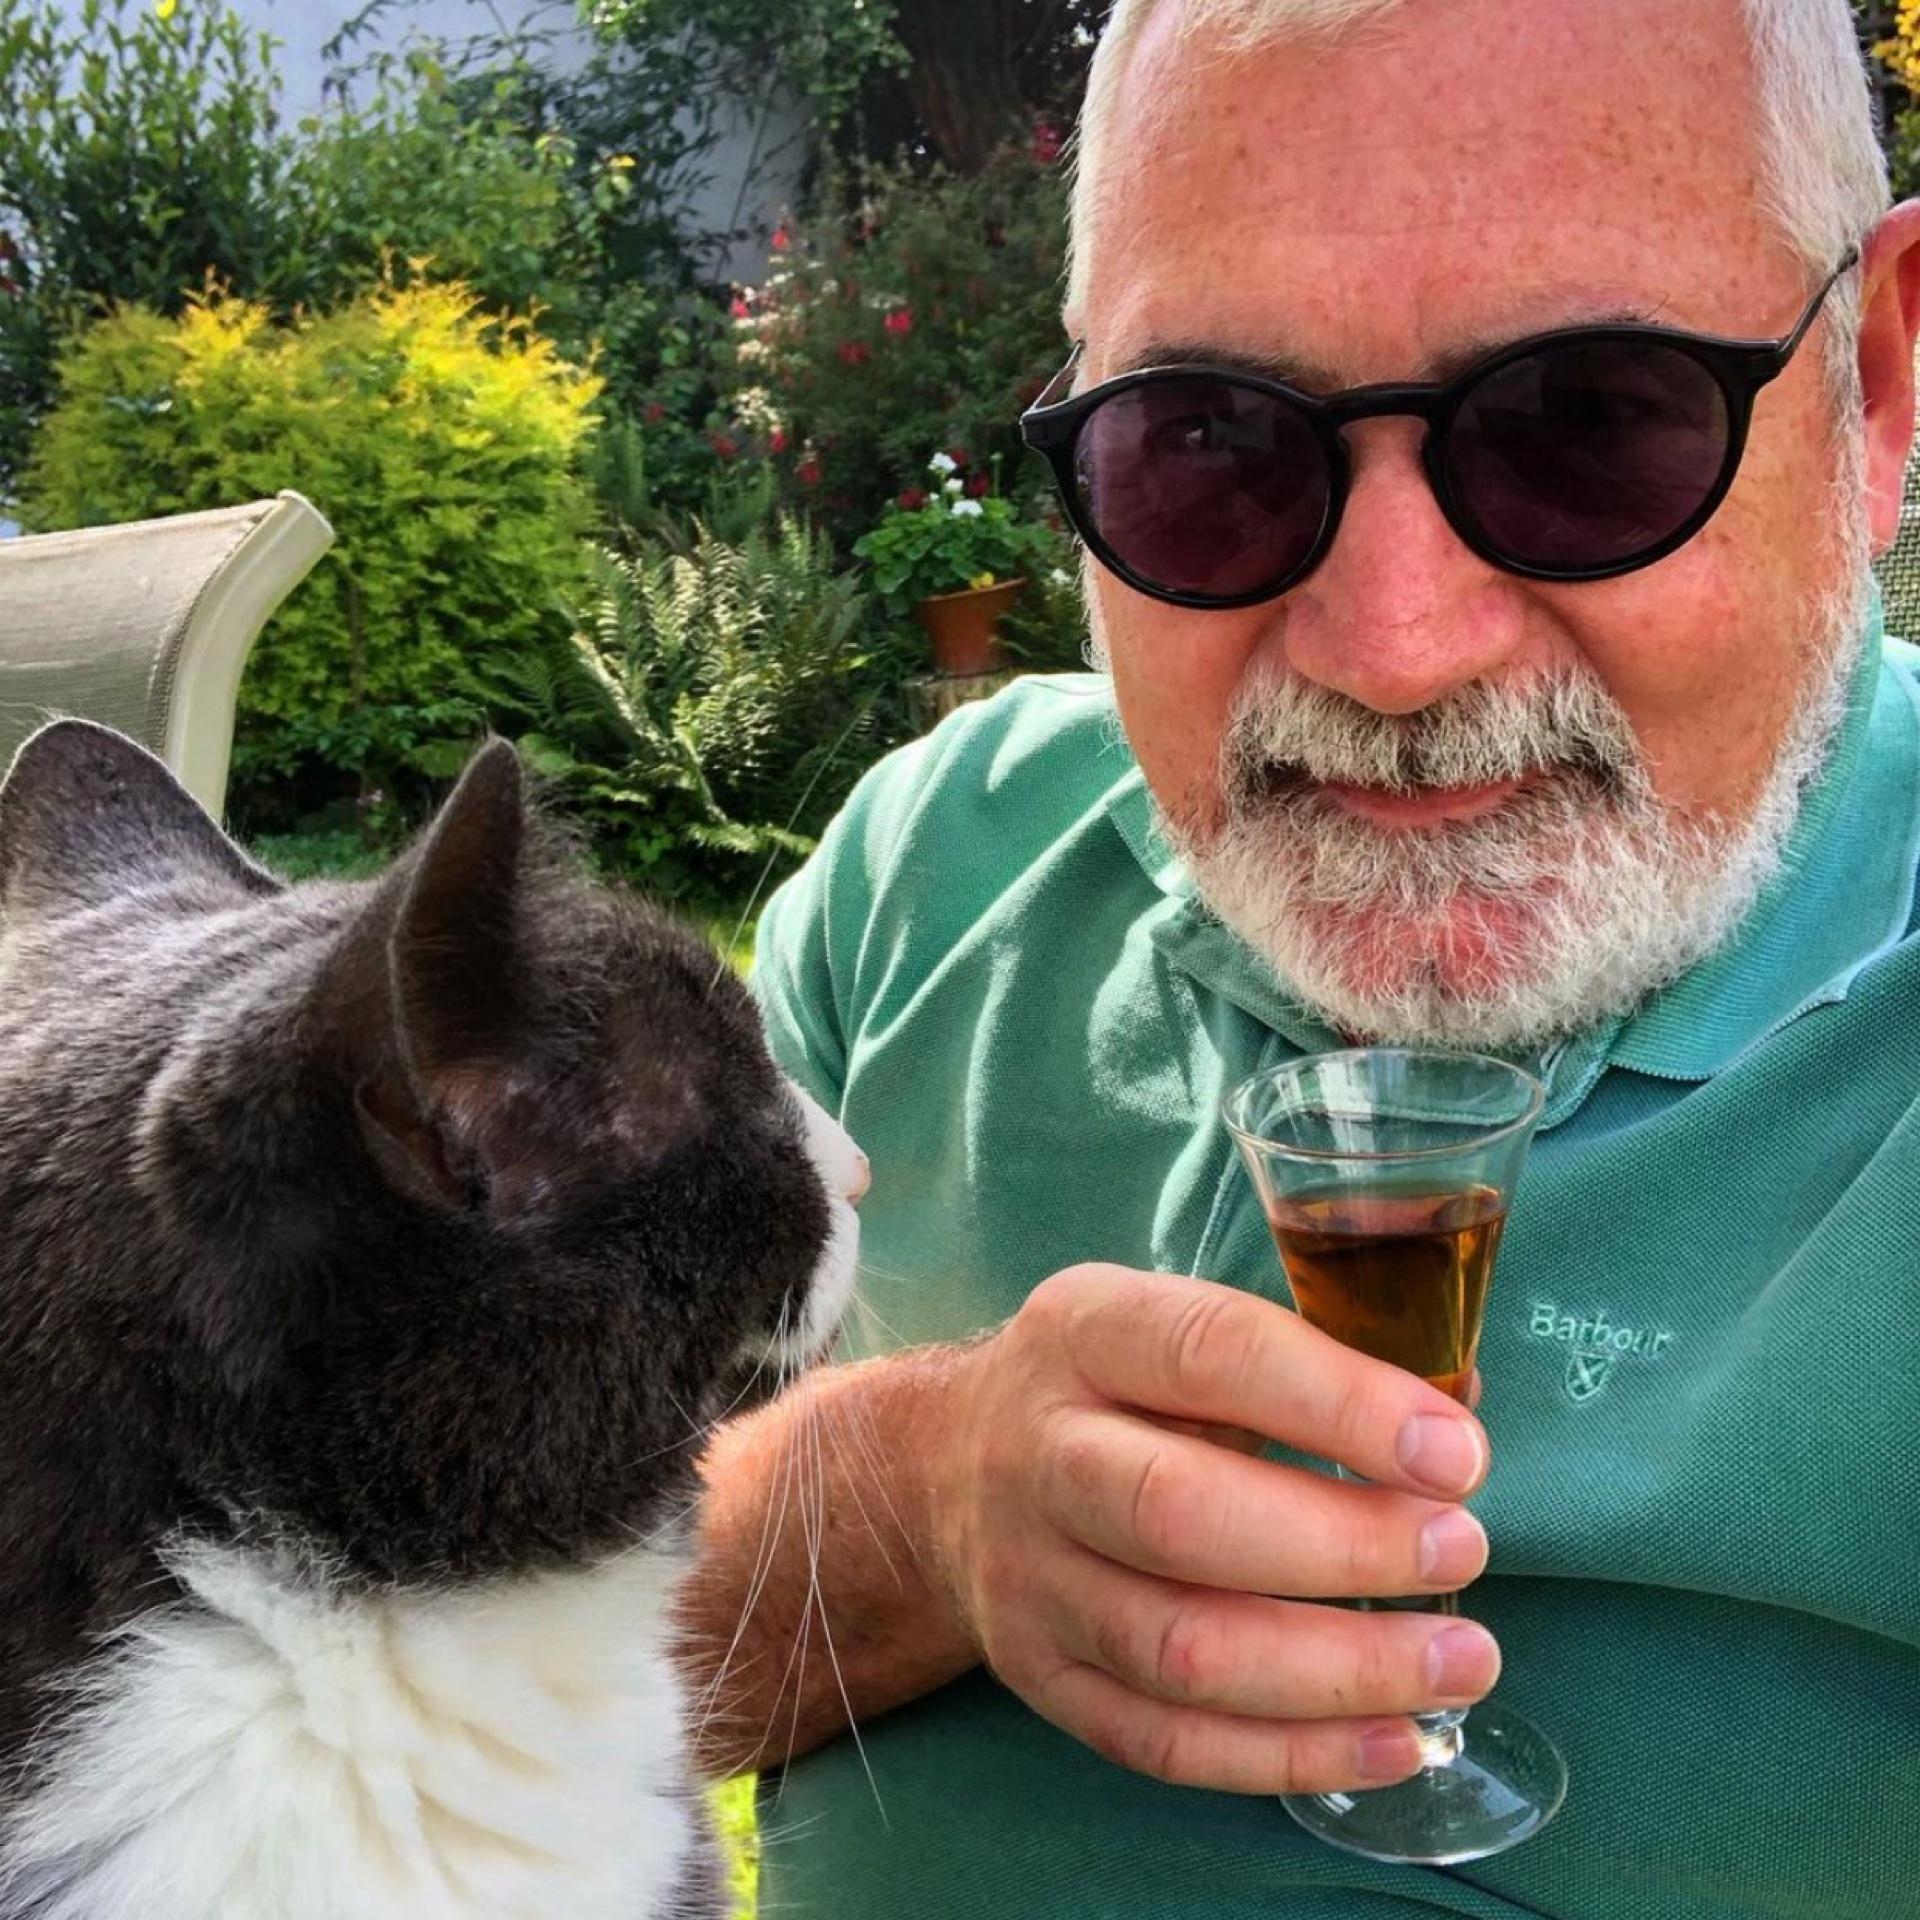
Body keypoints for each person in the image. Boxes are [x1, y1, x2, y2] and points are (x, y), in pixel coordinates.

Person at [680, 1, 1920, 1913]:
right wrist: (920, 1512)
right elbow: (511, 1650)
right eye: (1209, 443)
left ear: (1878, 386)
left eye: (1589, 426)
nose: (1394, 651)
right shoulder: (932, 874)